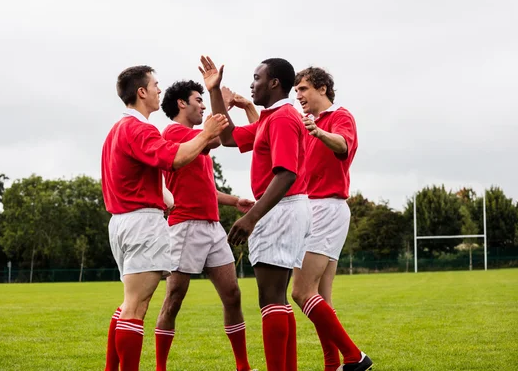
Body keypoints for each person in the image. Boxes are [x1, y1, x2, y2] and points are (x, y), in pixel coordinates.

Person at [101, 65, 228, 371]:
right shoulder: (140, 128)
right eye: (155, 85)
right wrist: (207, 133)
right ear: (141, 92)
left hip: (122, 222)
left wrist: (165, 198)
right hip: (142, 223)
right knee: (136, 307)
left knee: (127, 304)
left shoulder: (116, 130)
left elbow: (145, 177)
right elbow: (175, 159)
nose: (160, 89)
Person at [199, 55, 311, 371]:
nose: (252, 84)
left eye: (257, 77)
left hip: (281, 209)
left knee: (271, 299)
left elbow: (286, 173)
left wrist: (251, 217)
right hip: (285, 210)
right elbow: (229, 137)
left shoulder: (283, 119)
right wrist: (215, 91)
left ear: (275, 83)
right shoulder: (269, 119)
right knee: (277, 297)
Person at [154, 79, 256, 371]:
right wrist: (218, 99)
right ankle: (161, 367)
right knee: (174, 299)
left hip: (211, 227)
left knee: (233, 295)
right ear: (181, 104)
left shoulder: (196, 140)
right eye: (197, 100)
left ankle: (243, 367)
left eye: (203, 100)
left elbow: (206, 187)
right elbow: (216, 136)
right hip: (185, 226)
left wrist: (234, 200)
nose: (201, 105)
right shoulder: (174, 132)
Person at [291, 67, 372, 371]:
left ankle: (354, 356)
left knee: (300, 292)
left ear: (322, 88)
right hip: (313, 209)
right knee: (320, 296)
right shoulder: (307, 122)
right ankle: (331, 364)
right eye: (296, 91)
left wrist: (319, 132)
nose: (298, 96)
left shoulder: (340, 117)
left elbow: (343, 146)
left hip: (326, 208)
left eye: (303, 89)